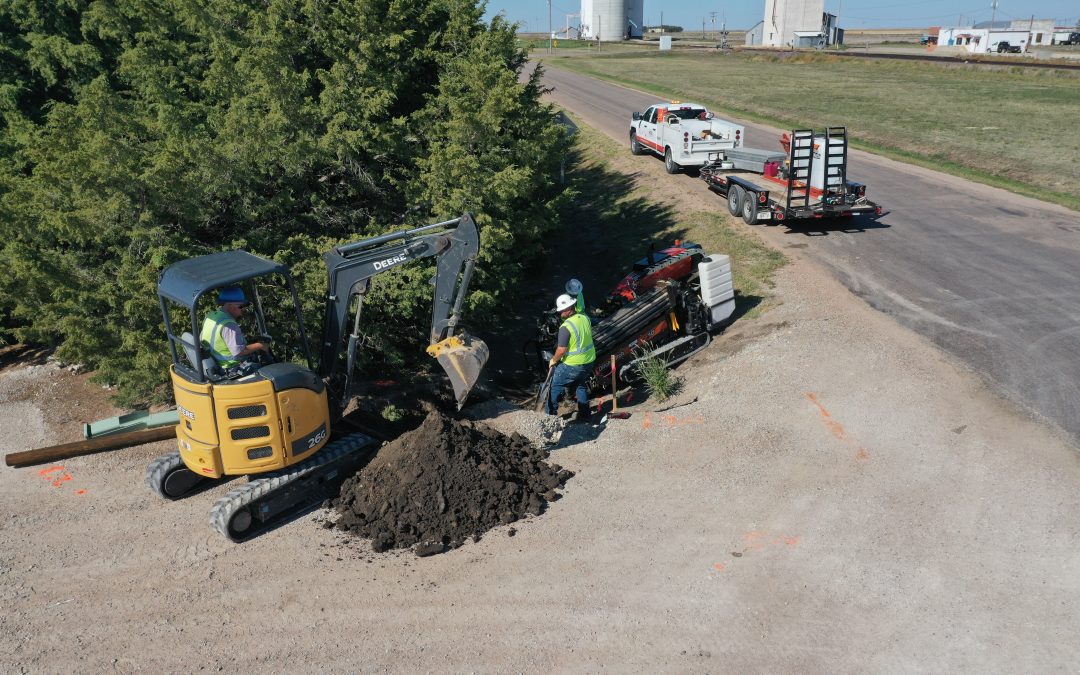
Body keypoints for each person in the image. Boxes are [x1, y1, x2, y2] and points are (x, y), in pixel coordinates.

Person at [546, 293, 596, 422]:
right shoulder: (585, 318)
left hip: (573, 365)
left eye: (562, 310)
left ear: (569, 309)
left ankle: (549, 419)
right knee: (580, 385)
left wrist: (553, 360)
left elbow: (561, 350)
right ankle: (585, 415)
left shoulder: (566, 327)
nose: (560, 313)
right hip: (588, 362)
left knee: (554, 386)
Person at [201, 286, 270, 373]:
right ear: (230, 306)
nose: (243, 310)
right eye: (241, 306)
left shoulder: (211, 316)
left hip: (217, 362)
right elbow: (239, 352)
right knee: (269, 371)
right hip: (231, 367)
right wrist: (260, 345)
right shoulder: (229, 325)